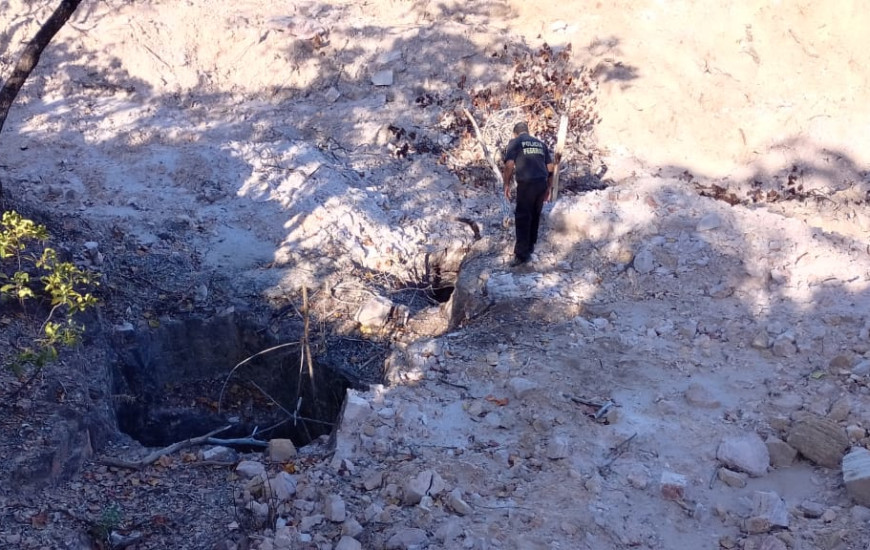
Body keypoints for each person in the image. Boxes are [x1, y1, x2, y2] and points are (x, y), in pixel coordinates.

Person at [501, 121, 555, 267]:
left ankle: (521, 255)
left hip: (527, 183)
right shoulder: (540, 144)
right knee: (535, 215)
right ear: (527, 131)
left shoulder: (515, 142)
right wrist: (549, 188)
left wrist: (506, 184)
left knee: (523, 217)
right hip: (541, 183)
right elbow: (550, 167)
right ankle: (530, 245)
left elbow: (509, 165)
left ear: (515, 133)